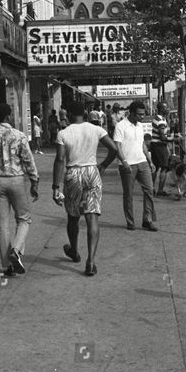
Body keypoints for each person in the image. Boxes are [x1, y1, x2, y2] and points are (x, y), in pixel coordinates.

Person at [52, 101, 117, 276]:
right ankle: (91, 262)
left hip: (73, 173)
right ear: (85, 113)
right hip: (92, 171)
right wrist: (103, 165)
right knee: (92, 216)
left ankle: (74, 250)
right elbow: (114, 148)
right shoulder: (96, 129)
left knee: (73, 216)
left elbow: (59, 159)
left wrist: (55, 186)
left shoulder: (63, 133)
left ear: (70, 114)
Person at [0, 103, 39, 277]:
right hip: (17, 180)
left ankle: (6, 266)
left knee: (2, 223)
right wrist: (34, 181)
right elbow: (28, 160)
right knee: (24, 219)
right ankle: (16, 250)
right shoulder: (19, 136)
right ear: (8, 116)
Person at [113, 100, 157, 231]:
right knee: (129, 194)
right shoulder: (120, 126)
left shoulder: (140, 126)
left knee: (149, 190)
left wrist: (150, 161)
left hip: (142, 162)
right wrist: (124, 162)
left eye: (143, 114)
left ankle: (147, 220)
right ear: (131, 113)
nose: (142, 117)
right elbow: (117, 146)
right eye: (139, 114)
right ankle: (130, 221)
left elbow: (142, 145)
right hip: (127, 165)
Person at [151, 102, 170, 197]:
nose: (168, 109)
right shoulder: (161, 121)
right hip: (160, 145)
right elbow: (162, 137)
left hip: (154, 145)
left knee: (155, 167)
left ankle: (151, 188)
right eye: (166, 107)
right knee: (164, 168)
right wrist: (174, 139)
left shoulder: (157, 118)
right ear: (161, 109)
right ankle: (160, 190)